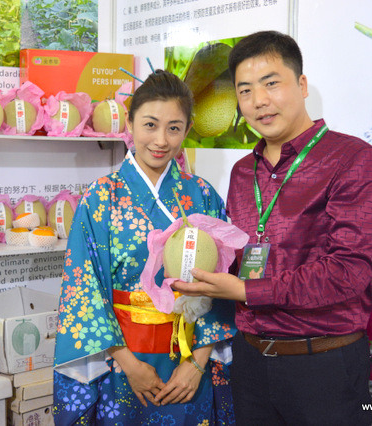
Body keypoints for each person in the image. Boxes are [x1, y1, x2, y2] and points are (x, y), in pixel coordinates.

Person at [172, 31, 372, 425]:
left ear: (302, 85)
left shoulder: (352, 159)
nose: (258, 100)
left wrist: (245, 290)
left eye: (271, 83)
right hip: (250, 360)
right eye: (245, 90)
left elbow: (349, 271)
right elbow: (238, 257)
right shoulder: (243, 172)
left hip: (323, 364)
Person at [53, 70, 236, 425]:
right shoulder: (100, 197)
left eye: (174, 128)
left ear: (187, 129)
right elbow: (83, 289)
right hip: (122, 363)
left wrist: (197, 363)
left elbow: (221, 285)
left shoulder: (202, 194)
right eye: (150, 125)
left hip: (189, 364)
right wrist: (129, 364)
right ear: (130, 122)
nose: (161, 140)